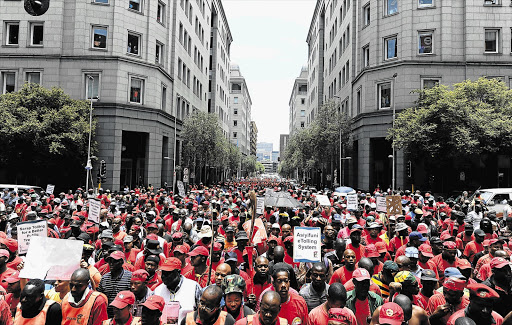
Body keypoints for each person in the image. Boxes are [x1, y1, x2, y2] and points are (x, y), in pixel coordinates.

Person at [153, 257, 201, 324]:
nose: (163, 276)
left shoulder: (193, 287)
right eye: (162, 273)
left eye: (168, 273)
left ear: (178, 272)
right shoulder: (157, 291)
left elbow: (201, 313)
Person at [98, 251, 133, 319]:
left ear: (121, 262)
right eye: (110, 261)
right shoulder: (104, 278)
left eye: (114, 261)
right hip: (108, 315)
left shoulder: (130, 277)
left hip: (124, 316)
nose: (111, 263)